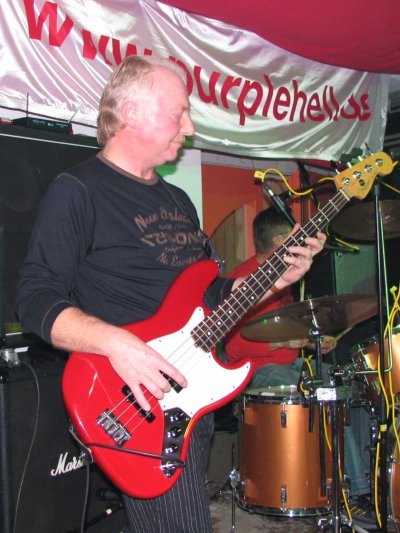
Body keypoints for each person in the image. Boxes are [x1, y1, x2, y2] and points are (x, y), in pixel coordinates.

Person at [15, 56, 326, 533]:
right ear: (131, 112)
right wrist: (119, 344)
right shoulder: (78, 190)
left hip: (191, 393)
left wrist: (276, 278)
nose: (190, 126)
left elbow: (212, 294)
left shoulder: (177, 199)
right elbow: (35, 298)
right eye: (179, 112)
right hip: (136, 401)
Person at [224, 207, 375, 528]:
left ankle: (357, 477)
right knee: (325, 392)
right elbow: (232, 347)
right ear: (281, 241)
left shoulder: (283, 277)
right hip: (256, 372)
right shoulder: (245, 279)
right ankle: (355, 493)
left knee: (348, 383)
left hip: (289, 366)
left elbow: (279, 330)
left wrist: (308, 342)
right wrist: (284, 343)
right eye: (294, 239)